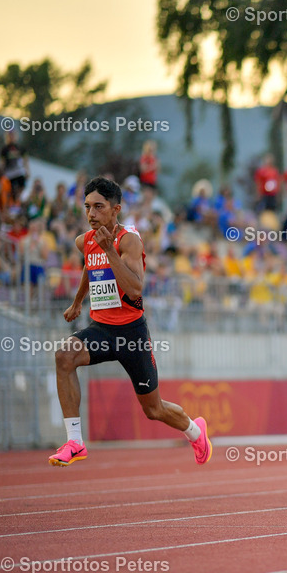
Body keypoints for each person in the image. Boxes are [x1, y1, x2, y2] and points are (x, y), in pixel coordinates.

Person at [51, 178, 211, 466]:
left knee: (154, 409)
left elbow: (136, 289)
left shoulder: (129, 240)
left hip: (131, 334)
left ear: (116, 209)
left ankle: (196, 431)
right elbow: (91, 263)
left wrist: (109, 250)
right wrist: (77, 302)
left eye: (99, 207)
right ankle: (75, 441)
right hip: (101, 329)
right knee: (64, 355)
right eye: (87, 207)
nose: (91, 214)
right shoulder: (85, 241)